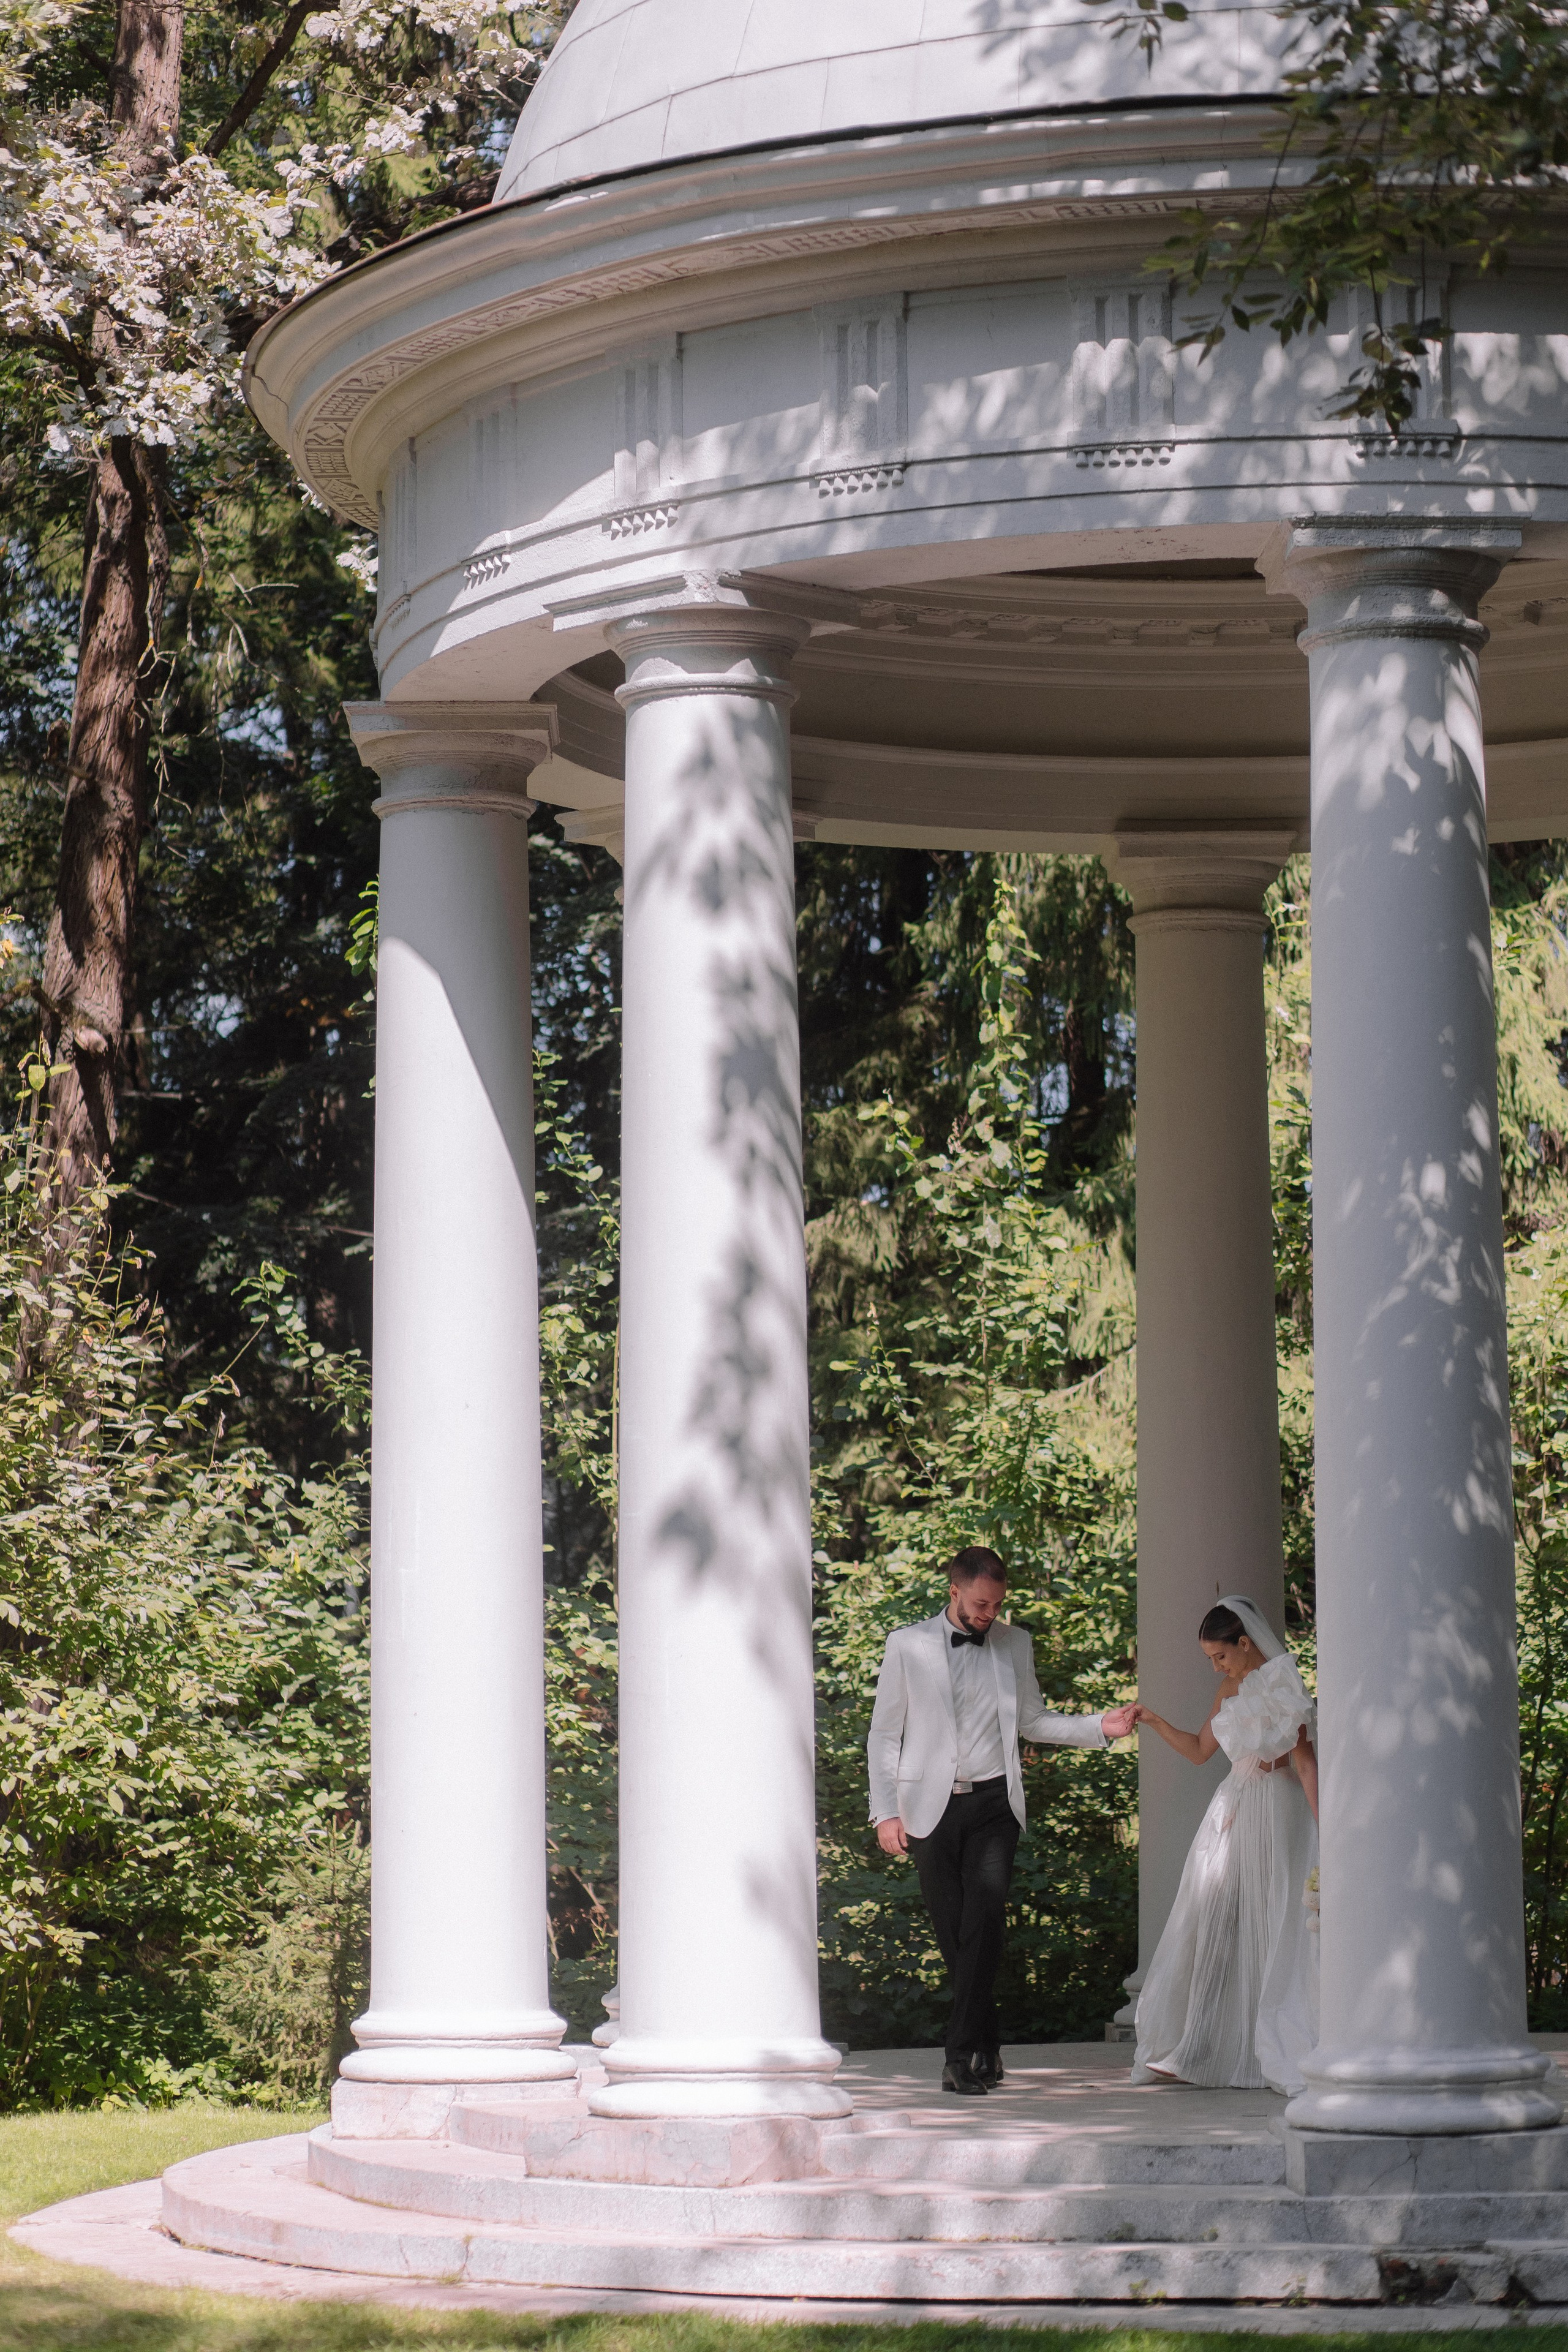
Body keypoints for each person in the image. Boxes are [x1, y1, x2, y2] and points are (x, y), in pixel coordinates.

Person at [867, 1544, 1138, 2097]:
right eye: (981, 1604)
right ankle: (987, 2038)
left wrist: (1097, 1728)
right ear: (954, 1590)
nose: (990, 1615)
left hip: (995, 1804)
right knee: (954, 1932)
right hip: (930, 1809)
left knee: (985, 1920)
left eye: (997, 1605)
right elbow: (884, 1734)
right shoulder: (907, 1645)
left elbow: (1033, 1721)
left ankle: (959, 2056)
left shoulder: (1016, 1644)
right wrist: (886, 1811)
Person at [1129, 1594, 1319, 2095]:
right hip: (1231, 1806)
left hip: (1276, 1808)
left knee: (1270, 1920)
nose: (1217, 1667)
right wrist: (1152, 1721)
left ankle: (1260, 2051)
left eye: (1221, 1656)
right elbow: (1198, 1751)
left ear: (1244, 1641)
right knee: (1211, 1916)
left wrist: (1329, 1831)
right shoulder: (1227, 1690)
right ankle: (1195, 2047)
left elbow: (1304, 1764)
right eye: (1211, 1659)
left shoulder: (1284, 1685)